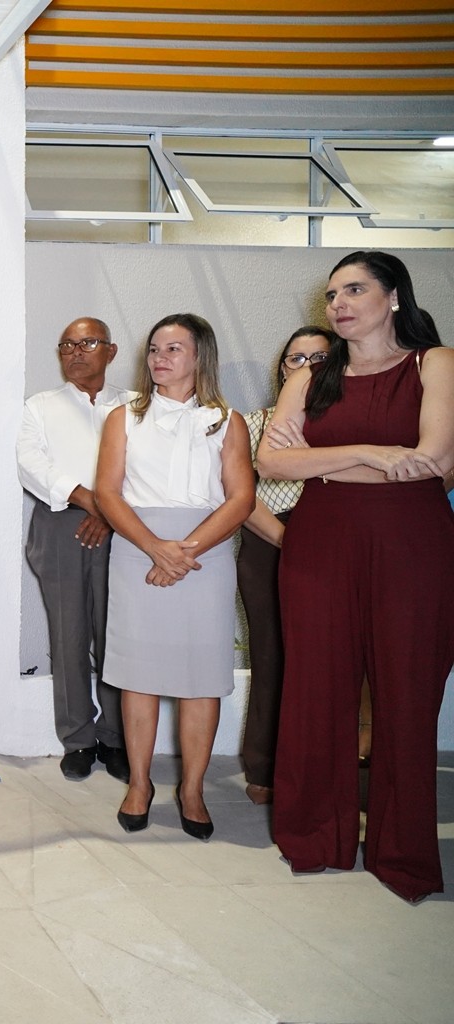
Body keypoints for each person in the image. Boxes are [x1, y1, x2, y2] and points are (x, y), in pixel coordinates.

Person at [259, 251, 454, 903]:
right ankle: (315, 837)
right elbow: (272, 462)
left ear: (394, 296)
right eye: (332, 294)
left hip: (412, 545)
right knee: (314, 691)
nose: (338, 304)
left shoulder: (436, 364)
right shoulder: (311, 375)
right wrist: (371, 452)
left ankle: (402, 856)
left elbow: (433, 459)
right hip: (320, 543)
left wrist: (319, 459)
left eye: (354, 290)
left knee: (407, 695)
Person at [94, 313, 253, 841]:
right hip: (138, 549)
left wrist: (184, 552)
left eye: (174, 348)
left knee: (200, 678)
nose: (159, 358)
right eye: (155, 349)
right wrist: (155, 548)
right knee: (138, 675)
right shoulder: (123, 418)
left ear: (200, 356)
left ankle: (192, 790)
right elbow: (108, 493)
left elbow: (241, 499)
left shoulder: (226, 421)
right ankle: (139, 785)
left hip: (204, 555)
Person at [17, 316, 132, 783]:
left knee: (116, 636)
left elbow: (145, 464)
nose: (75, 352)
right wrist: (90, 500)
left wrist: (109, 511)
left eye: (87, 343)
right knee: (67, 636)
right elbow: (31, 463)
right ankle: (78, 740)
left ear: (111, 351)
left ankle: (116, 738)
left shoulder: (135, 405)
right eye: (67, 345)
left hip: (123, 527)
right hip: (62, 522)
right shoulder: (40, 406)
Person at [235, 326, 332, 806]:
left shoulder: (346, 425)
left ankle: (322, 768)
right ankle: (264, 765)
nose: (307, 367)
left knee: (328, 661)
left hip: (333, 544)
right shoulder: (254, 423)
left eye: (319, 358)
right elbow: (240, 495)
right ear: (282, 368)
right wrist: (285, 539)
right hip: (267, 541)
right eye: (297, 358)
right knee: (271, 654)